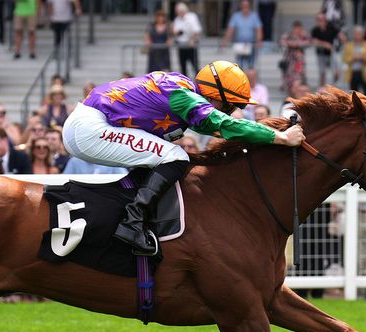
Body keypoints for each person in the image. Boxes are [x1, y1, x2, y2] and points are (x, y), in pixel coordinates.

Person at [61, 61, 303, 255]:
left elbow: (214, 126)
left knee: (162, 154)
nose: (230, 111)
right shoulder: (183, 96)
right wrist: (279, 137)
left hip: (87, 124)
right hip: (88, 129)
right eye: (229, 106)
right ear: (215, 96)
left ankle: (135, 218)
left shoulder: (184, 92)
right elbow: (222, 124)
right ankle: (132, 222)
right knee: (175, 156)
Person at [220, 0, 262, 70]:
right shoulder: (236, 16)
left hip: (251, 44)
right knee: (239, 66)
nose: (245, 7)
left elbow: (258, 29)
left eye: (246, 6)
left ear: (249, 6)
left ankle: (250, 80)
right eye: (243, 6)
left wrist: (259, 40)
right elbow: (231, 29)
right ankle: (240, 80)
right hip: (239, 44)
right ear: (241, 6)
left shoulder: (254, 16)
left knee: (251, 66)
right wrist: (225, 41)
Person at [310, 12, 341, 88]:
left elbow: (340, 35)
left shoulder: (331, 28)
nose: (320, 21)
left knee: (336, 72)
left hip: (331, 53)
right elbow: (313, 41)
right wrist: (324, 44)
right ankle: (322, 88)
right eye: (318, 19)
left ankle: (334, 86)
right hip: (321, 53)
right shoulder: (315, 30)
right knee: (322, 72)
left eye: (322, 19)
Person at [279, 20, 310, 93]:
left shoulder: (304, 36)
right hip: (289, 61)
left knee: (299, 78)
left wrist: (295, 44)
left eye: (299, 29)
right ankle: (289, 92)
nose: (297, 31)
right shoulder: (288, 35)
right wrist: (291, 43)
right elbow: (282, 42)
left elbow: (308, 43)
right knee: (288, 77)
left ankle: (298, 93)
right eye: (296, 29)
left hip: (299, 62)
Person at [342, 25, 366, 94]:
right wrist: (353, 58)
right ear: (354, 34)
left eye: (360, 34)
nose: (358, 35)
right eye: (356, 33)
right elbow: (345, 59)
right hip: (352, 72)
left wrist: (363, 58)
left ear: (363, 34)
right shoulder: (348, 46)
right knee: (353, 94)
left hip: (364, 72)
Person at [172, 2, 201, 76]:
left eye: (179, 11)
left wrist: (193, 40)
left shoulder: (192, 17)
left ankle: (200, 84)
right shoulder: (177, 19)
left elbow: (196, 30)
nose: (178, 13)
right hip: (181, 45)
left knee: (195, 65)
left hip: (191, 45)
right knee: (183, 67)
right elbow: (175, 32)